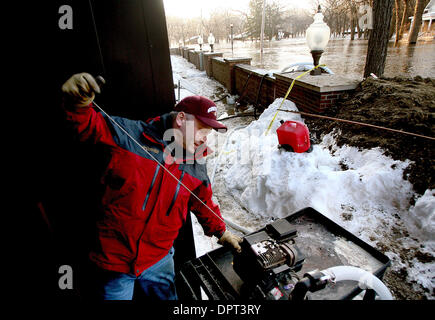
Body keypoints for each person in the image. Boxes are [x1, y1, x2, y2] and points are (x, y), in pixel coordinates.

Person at [61, 72, 243, 300]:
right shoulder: (128, 136)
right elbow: (87, 124)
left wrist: (221, 231)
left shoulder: (196, 162)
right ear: (181, 119)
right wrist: (76, 103)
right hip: (113, 263)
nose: (205, 139)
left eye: (209, 134)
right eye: (202, 130)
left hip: (160, 261)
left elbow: (202, 201)